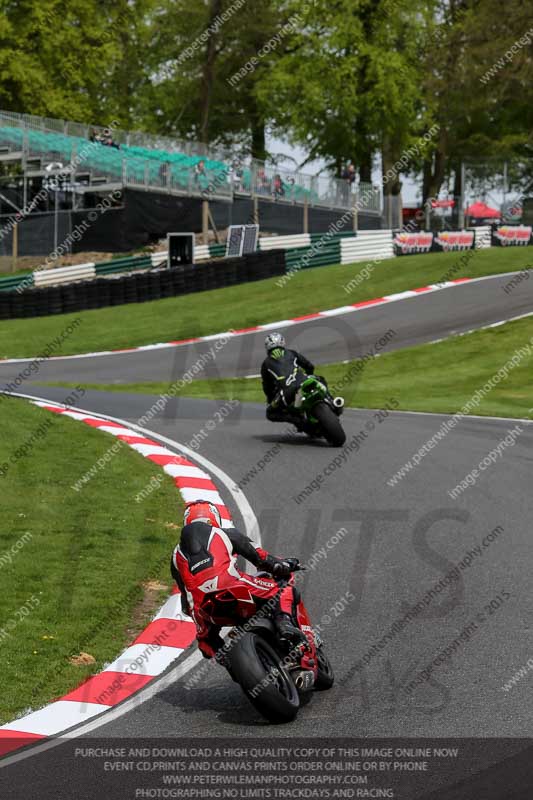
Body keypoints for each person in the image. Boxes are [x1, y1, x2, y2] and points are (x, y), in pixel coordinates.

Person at [170, 500, 308, 660]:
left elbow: (186, 602)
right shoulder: (226, 533)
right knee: (284, 590)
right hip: (232, 585)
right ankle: (285, 624)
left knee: (206, 642)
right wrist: (284, 565)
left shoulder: (175, 555)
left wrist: (198, 621)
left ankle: (228, 663)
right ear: (214, 518)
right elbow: (262, 559)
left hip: (203, 607)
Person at [261, 332, 318, 429]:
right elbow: (309, 365)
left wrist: (270, 399)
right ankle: (332, 401)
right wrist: (310, 374)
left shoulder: (265, 364)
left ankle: (298, 421)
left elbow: (267, 387)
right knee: (320, 379)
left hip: (287, 392)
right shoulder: (292, 353)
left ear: (267, 346)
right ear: (282, 342)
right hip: (304, 381)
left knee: (270, 413)